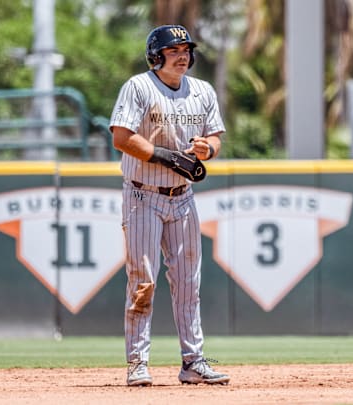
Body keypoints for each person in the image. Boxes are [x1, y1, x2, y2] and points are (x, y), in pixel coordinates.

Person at [108, 24, 230, 387]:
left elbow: (214, 137)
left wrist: (209, 148)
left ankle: (193, 362)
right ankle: (137, 362)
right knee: (143, 282)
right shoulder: (139, 87)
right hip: (143, 195)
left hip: (182, 199)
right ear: (156, 55)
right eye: (174, 49)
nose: (183, 55)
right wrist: (165, 156)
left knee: (188, 283)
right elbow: (121, 138)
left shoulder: (202, 91)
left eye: (187, 49)